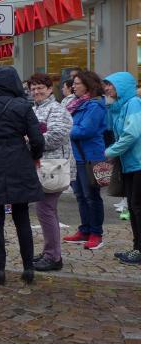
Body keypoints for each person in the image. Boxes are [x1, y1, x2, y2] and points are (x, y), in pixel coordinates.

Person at [0, 67, 44, 286]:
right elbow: (37, 139)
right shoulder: (23, 105)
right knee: (22, 216)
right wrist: (34, 156)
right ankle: (28, 268)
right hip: (18, 160)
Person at [28, 73, 74, 272]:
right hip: (43, 166)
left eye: (40, 88)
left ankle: (53, 256)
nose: (36, 92)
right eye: (33, 89)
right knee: (46, 210)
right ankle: (50, 252)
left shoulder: (56, 109)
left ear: (49, 89)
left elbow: (56, 136)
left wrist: (30, 139)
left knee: (45, 210)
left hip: (53, 166)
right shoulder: (35, 108)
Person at [64, 70, 107, 250]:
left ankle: (96, 233)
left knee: (92, 197)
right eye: (73, 83)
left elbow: (85, 130)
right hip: (77, 156)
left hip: (91, 157)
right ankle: (85, 230)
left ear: (88, 85)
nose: (73, 86)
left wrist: (65, 129)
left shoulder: (95, 105)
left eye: (77, 83)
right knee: (81, 196)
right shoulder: (77, 103)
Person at [103, 72, 141, 264]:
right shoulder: (121, 106)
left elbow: (131, 133)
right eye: (106, 85)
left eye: (110, 85)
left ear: (122, 86)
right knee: (134, 208)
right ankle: (136, 247)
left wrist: (111, 151)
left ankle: (139, 250)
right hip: (130, 164)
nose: (106, 88)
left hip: (138, 163)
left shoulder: (133, 103)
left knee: (137, 207)